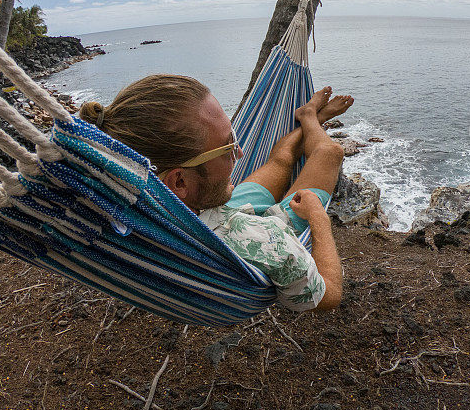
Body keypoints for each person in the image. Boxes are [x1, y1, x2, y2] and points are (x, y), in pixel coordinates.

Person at [78, 74, 354, 313]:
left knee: (279, 162)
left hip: (210, 210)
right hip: (256, 228)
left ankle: (309, 118)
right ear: (179, 182)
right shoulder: (271, 247)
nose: (241, 152)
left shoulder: (118, 207)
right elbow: (328, 297)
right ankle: (310, 119)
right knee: (331, 152)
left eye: (234, 137)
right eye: (228, 148)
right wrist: (318, 217)